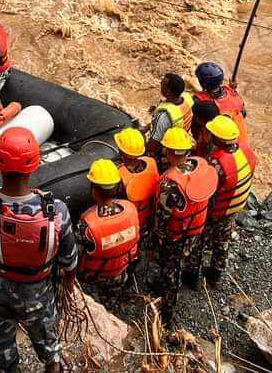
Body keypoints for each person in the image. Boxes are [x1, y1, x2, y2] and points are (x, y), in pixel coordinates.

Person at [0, 128, 77, 373]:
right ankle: (52, 366)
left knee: (3, 342)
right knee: (49, 346)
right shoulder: (56, 211)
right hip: (38, 292)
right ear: (34, 165)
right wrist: (69, 283)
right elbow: (69, 260)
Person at [152, 126, 218, 325]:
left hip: (176, 235)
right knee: (192, 255)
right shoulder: (202, 167)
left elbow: (162, 217)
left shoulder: (169, 184)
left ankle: (167, 314)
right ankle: (193, 280)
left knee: (170, 272)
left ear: (170, 152)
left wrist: (157, 238)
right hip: (197, 227)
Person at [76, 159, 139, 310]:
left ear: (94, 191)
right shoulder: (131, 209)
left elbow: (76, 254)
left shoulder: (87, 225)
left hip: (96, 277)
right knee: (112, 302)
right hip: (122, 270)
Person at [201, 116, 257, 287]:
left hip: (219, 210)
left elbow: (207, 191)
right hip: (236, 206)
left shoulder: (217, 163)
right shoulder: (246, 150)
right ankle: (216, 274)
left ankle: (193, 274)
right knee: (222, 241)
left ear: (218, 139)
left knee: (201, 240)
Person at [114, 127, 160, 235]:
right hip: (150, 218)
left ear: (120, 150)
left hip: (132, 223)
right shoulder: (151, 162)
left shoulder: (120, 174)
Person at [193, 61, 249, 145]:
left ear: (202, 83)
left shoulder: (201, 101)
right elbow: (244, 114)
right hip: (241, 142)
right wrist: (234, 90)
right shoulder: (232, 92)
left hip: (220, 144)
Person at [145, 73, 195, 161]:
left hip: (170, 149)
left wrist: (142, 147)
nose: (160, 83)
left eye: (163, 83)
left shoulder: (163, 117)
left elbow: (152, 146)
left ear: (168, 92)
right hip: (183, 140)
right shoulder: (187, 98)